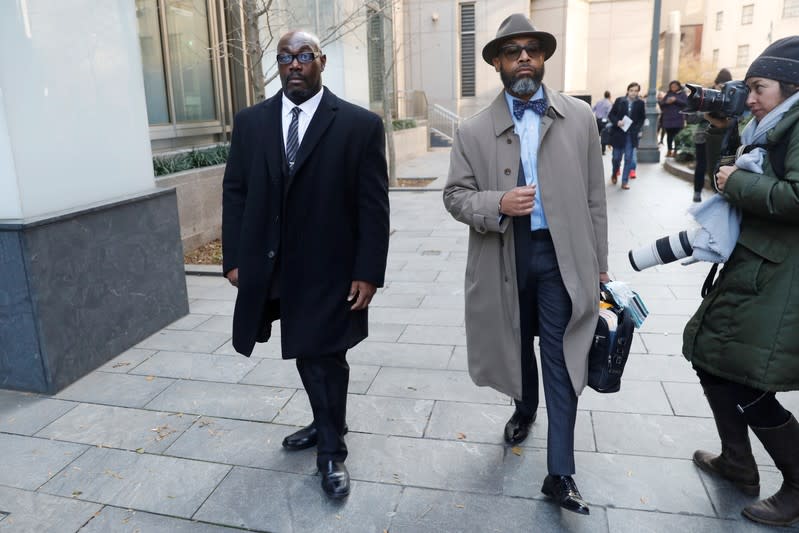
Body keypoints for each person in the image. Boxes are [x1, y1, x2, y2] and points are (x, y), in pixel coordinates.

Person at [443, 13, 608, 515]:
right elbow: (454, 196)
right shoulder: (471, 130)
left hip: (563, 259)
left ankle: (561, 473)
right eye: (512, 51)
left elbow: (596, 198)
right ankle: (523, 407)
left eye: (532, 49)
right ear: (496, 62)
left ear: (543, 58)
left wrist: (599, 267)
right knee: (515, 344)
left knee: (562, 358)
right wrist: (497, 203)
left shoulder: (579, 116)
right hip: (504, 254)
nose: (523, 58)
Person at [221, 30, 390, 499]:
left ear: (321, 61)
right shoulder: (252, 122)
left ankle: (332, 452)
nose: (294, 65)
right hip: (271, 264)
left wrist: (368, 271)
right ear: (278, 65)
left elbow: (373, 205)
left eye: (304, 56)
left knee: (324, 354)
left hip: (329, 267)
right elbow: (235, 191)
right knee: (307, 348)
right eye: (285, 58)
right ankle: (326, 421)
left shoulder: (359, 125)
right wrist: (233, 258)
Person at [683, 36, 799, 526]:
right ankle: (737, 461)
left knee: (749, 378)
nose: (749, 98)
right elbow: (725, 172)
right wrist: (721, 136)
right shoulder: (768, 124)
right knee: (710, 356)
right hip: (754, 263)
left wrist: (736, 182)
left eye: (759, 88)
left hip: (782, 274)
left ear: (790, 86)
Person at [691, 68, 733, 202]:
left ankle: (717, 192)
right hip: (702, 136)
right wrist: (706, 113)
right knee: (701, 164)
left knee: (719, 166)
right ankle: (697, 191)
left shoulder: (731, 98)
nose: (721, 88)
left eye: (725, 86)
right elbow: (693, 117)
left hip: (722, 137)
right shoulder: (705, 95)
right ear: (715, 84)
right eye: (719, 85)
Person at [608, 82, 646, 189]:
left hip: (631, 135)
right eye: (631, 90)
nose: (633, 93)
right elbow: (611, 115)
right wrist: (617, 122)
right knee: (616, 158)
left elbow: (642, 118)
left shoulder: (640, 103)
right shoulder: (620, 101)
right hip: (619, 133)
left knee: (629, 158)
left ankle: (625, 181)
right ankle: (614, 173)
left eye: (636, 91)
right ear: (628, 90)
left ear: (638, 92)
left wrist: (636, 128)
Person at [658, 80, 688, 157]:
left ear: (679, 86)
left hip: (678, 119)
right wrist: (666, 102)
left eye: (675, 86)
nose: (673, 88)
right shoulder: (668, 94)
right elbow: (661, 104)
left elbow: (686, 104)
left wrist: (676, 100)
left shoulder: (682, 94)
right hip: (668, 119)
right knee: (669, 136)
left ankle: (676, 151)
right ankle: (669, 150)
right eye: (672, 86)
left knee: (677, 136)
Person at [593, 90, 612, 154]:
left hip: (597, 120)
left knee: (596, 135)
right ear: (609, 96)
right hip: (605, 121)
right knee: (604, 135)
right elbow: (610, 113)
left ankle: (593, 149)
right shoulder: (609, 103)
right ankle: (603, 151)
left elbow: (593, 109)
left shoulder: (599, 102)